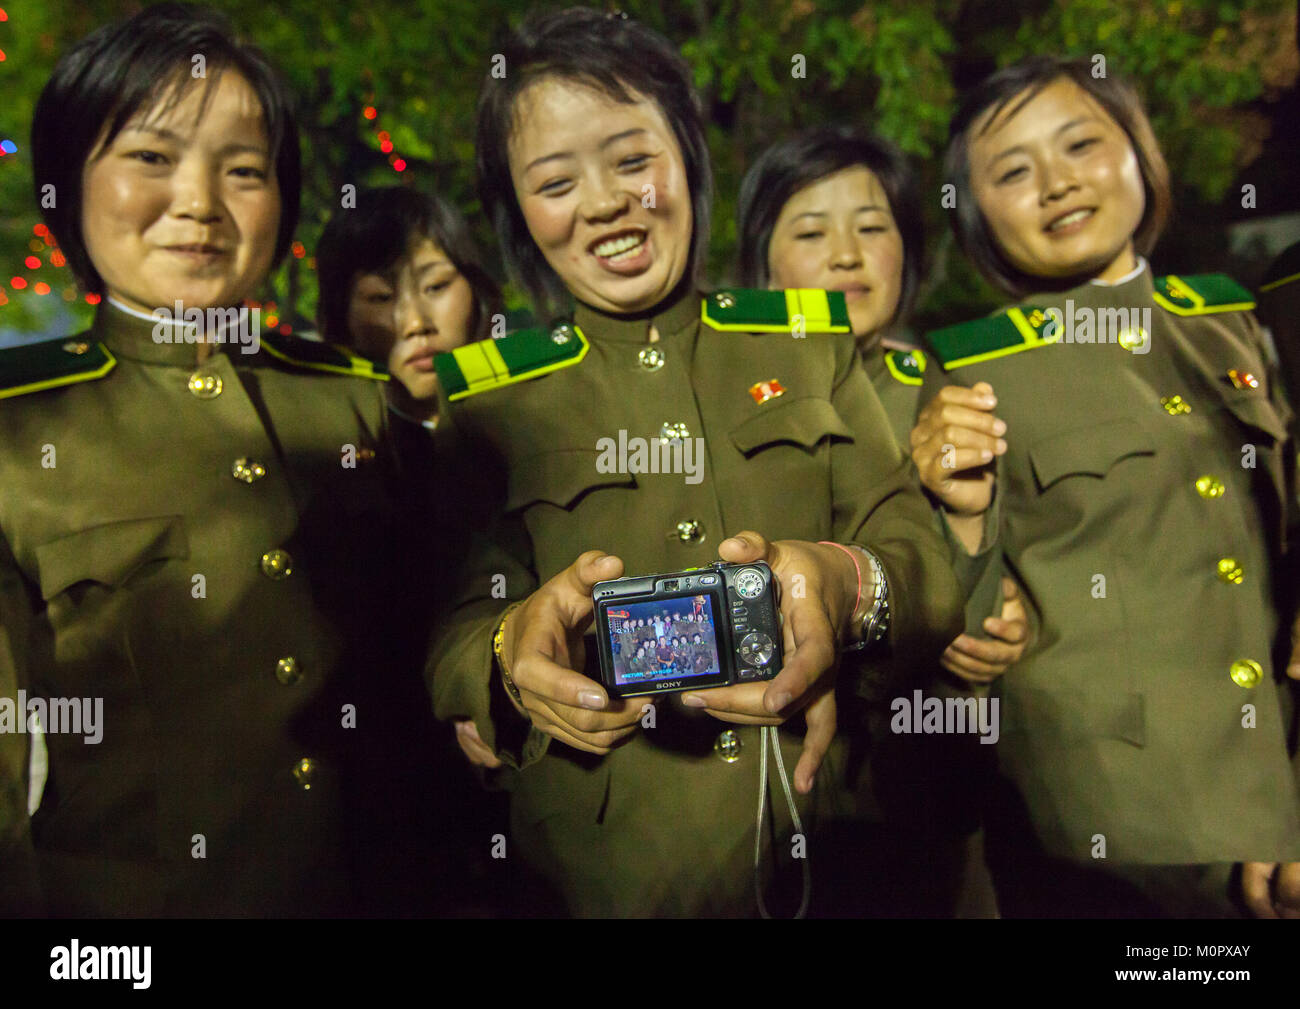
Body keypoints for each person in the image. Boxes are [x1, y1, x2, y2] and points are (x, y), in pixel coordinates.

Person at [425, 7, 963, 917]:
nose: (603, 203)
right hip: (606, 872)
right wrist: (503, 652)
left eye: (634, 161)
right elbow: (445, 614)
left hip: (833, 845)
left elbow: (919, 561)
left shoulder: (806, 345)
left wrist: (844, 580)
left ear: (688, 159)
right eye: (556, 181)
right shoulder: (486, 397)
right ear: (516, 208)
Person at [0, 3, 447, 916]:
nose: (199, 204)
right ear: (67, 183)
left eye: (243, 170)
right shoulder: (16, 429)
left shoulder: (356, 402)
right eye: (151, 158)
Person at [912, 56, 1300, 917]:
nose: (1055, 183)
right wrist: (963, 533)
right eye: (1013, 171)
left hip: (1278, 811)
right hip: (1107, 845)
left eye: (1081, 143)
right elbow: (964, 638)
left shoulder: (1236, 324)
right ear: (978, 217)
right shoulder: (967, 373)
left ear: (1140, 153)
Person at [737, 124, 1027, 916]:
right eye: (809, 230)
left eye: (872, 227)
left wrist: (1005, 612)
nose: (846, 253)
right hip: (760, 797)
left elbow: (1003, 585)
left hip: (924, 801)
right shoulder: (722, 397)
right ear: (763, 262)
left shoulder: (958, 395)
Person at [316, 185, 503, 430]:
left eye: (436, 287)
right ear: (339, 317)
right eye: (381, 297)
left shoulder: (530, 415)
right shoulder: (326, 443)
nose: (416, 324)